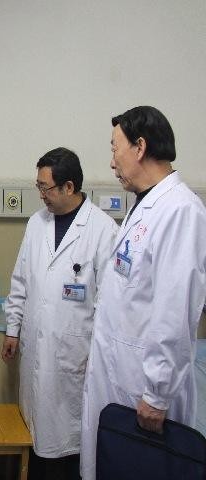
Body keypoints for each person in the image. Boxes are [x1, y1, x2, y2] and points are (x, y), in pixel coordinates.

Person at [80, 106, 206, 479]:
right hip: (122, 373)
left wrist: (157, 393)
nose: (112, 161)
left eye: (114, 148)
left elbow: (175, 310)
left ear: (139, 146)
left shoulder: (181, 211)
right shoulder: (145, 206)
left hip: (145, 389)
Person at [0, 147, 117, 480]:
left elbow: (109, 304)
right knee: (35, 438)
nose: (41, 195)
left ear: (69, 187)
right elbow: (21, 280)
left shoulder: (103, 230)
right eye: (38, 186)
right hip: (36, 348)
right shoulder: (37, 223)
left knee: (67, 446)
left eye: (45, 187)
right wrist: (12, 329)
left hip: (75, 357)